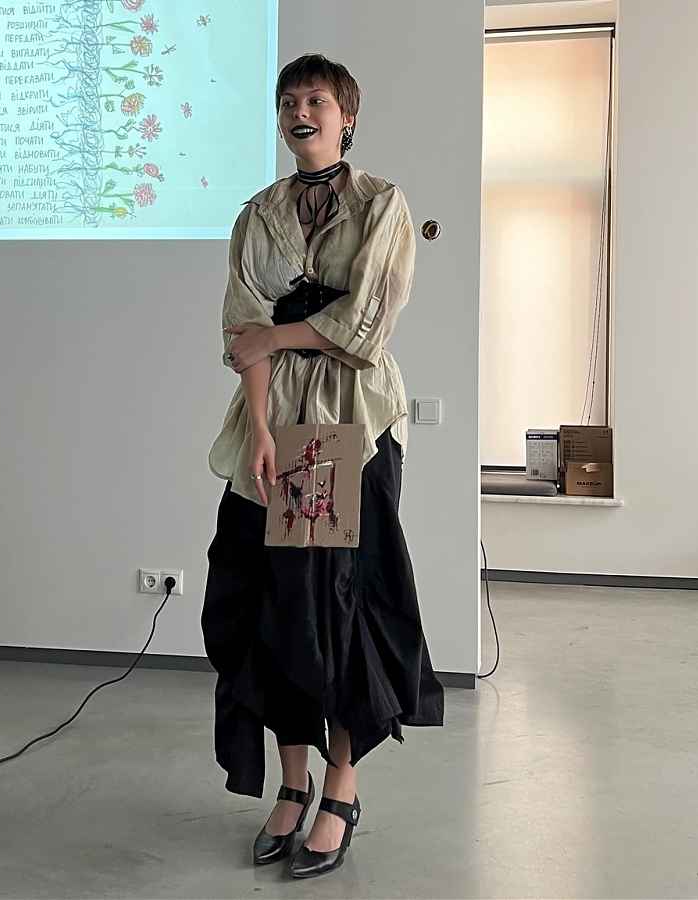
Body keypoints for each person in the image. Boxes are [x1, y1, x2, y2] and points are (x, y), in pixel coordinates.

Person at [202, 53, 444, 880]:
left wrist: (278, 331)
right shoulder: (257, 215)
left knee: (339, 607)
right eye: (288, 102)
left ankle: (341, 786)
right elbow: (241, 329)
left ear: (347, 117)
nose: (299, 111)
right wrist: (261, 428)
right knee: (267, 603)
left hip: (351, 424)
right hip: (273, 425)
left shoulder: (382, 205)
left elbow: (366, 320)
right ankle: (291, 780)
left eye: (315, 99)